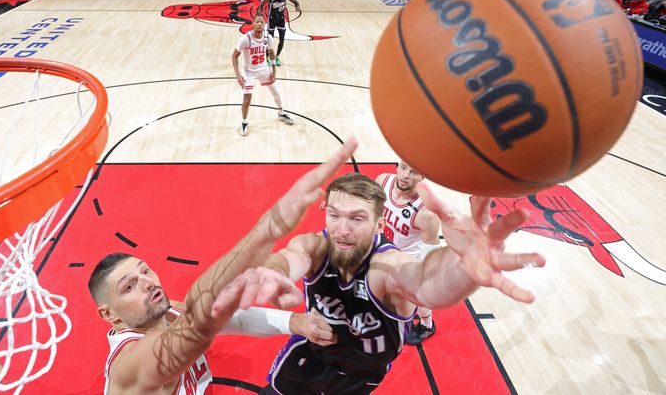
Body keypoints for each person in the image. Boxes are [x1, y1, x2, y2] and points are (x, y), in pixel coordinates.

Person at [214, 173, 545, 394]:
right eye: (334, 215)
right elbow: (290, 257)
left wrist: (465, 265)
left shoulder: (386, 265)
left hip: (363, 373)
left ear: (379, 222)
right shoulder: (316, 247)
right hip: (312, 355)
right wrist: (271, 272)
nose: (342, 229)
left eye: (356, 218)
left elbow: (428, 286)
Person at [88, 139, 357, 394]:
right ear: (110, 315)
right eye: (129, 286)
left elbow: (232, 320)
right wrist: (266, 231)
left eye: (145, 271)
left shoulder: (167, 312)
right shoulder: (128, 366)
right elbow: (197, 325)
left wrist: (295, 321)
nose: (146, 282)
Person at [376, 160, 441, 345]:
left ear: (422, 177)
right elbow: (365, 200)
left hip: (409, 258)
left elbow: (431, 254)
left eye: (413, 172)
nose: (405, 175)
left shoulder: (427, 212)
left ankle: (427, 324)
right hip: (384, 246)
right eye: (403, 168)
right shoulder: (383, 181)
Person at [232, 13, 294, 137]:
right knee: (247, 100)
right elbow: (234, 56)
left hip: (263, 69)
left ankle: (281, 113)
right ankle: (244, 122)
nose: (260, 24)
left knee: (275, 92)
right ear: (253, 23)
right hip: (248, 72)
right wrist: (238, 75)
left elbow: (271, 53)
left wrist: (274, 71)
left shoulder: (268, 37)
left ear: (264, 24)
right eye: (257, 22)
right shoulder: (245, 38)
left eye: (262, 22)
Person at [258, 0, 300, 67]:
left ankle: (277, 57)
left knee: (281, 39)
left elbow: (296, 2)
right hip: (272, 20)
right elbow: (261, 4)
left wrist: (298, 6)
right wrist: (260, 14)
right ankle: (267, 58)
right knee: (270, 40)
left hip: (281, 19)